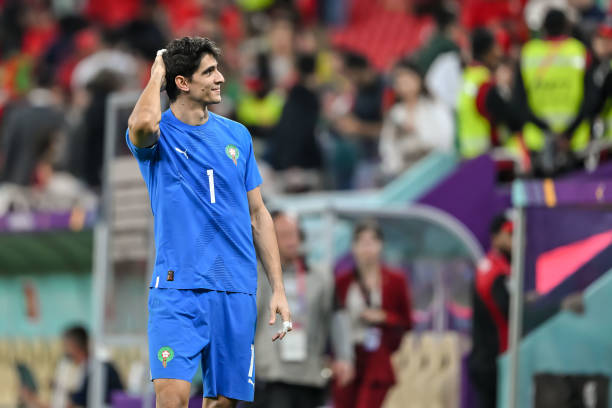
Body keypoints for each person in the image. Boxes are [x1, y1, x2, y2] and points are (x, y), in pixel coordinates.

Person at [126, 37, 292, 408]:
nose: (220, 78)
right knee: (171, 396)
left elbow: (258, 214)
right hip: (177, 287)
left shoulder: (237, 136)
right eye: (209, 71)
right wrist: (156, 77)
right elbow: (141, 123)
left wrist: (277, 287)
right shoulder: (159, 135)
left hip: (235, 286)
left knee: (222, 402)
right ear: (182, 83)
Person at [469, 214, 584, 408]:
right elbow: (517, 318)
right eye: (512, 234)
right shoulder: (497, 275)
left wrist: (521, 300)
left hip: (487, 361)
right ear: (496, 238)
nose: (519, 240)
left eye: (521, 234)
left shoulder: (491, 267)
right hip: (494, 364)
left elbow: (497, 308)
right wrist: (561, 307)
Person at [251, 211, 354, 408]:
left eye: (294, 234)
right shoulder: (256, 275)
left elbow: (336, 316)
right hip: (269, 375)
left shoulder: (320, 277)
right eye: (283, 235)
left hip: (309, 376)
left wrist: (344, 357)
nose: (291, 241)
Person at [333, 221, 412, 408]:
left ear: (381, 245)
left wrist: (384, 317)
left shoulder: (395, 280)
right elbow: (333, 320)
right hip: (348, 356)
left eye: (372, 242)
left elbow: (407, 322)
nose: (367, 248)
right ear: (353, 247)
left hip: (377, 357)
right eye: (362, 242)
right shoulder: (342, 281)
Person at [515, 8, 590, 166]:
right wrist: (567, 134)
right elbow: (590, 98)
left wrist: (547, 130)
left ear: (543, 27)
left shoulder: (529, 53)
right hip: (573, 141)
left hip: (538, 139)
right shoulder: (578, 51)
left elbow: (519, 101)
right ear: (566, 26)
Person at [379, 59, 454, 178]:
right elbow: (387, 146)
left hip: (433, 168)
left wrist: (416, 136)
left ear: (419, 80)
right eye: (401, 82)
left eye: (409, 80)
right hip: (404, 172)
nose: (406, 86)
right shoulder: (395, 114)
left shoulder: (435, 107)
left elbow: (445, 139)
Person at [456, 27, 523, 159]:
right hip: (490, 158)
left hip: (470, 156)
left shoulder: (468, 78)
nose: (500, 52)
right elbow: (511, 120)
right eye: (497, 47)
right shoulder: (485, 85)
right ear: (489, 51)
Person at [19, 325, 123, 408]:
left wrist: (33, 400)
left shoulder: (97, 370)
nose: (64, 350)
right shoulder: (92, 368)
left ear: (73, 346)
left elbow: (71, 404)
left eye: (65, 346)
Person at [263, 54, 323, 193]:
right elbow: (295, 131)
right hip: (299, 166)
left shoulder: (294, 97)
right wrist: (292, 162)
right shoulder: (303, 99)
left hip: (292, 162)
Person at [331, 52, 385, 189]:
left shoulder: (385, 88)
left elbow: (388, 128)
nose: (350, 80)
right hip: (363, 152)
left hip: (381, 155)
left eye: (351, 75)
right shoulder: (360, 90)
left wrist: (359, 128)